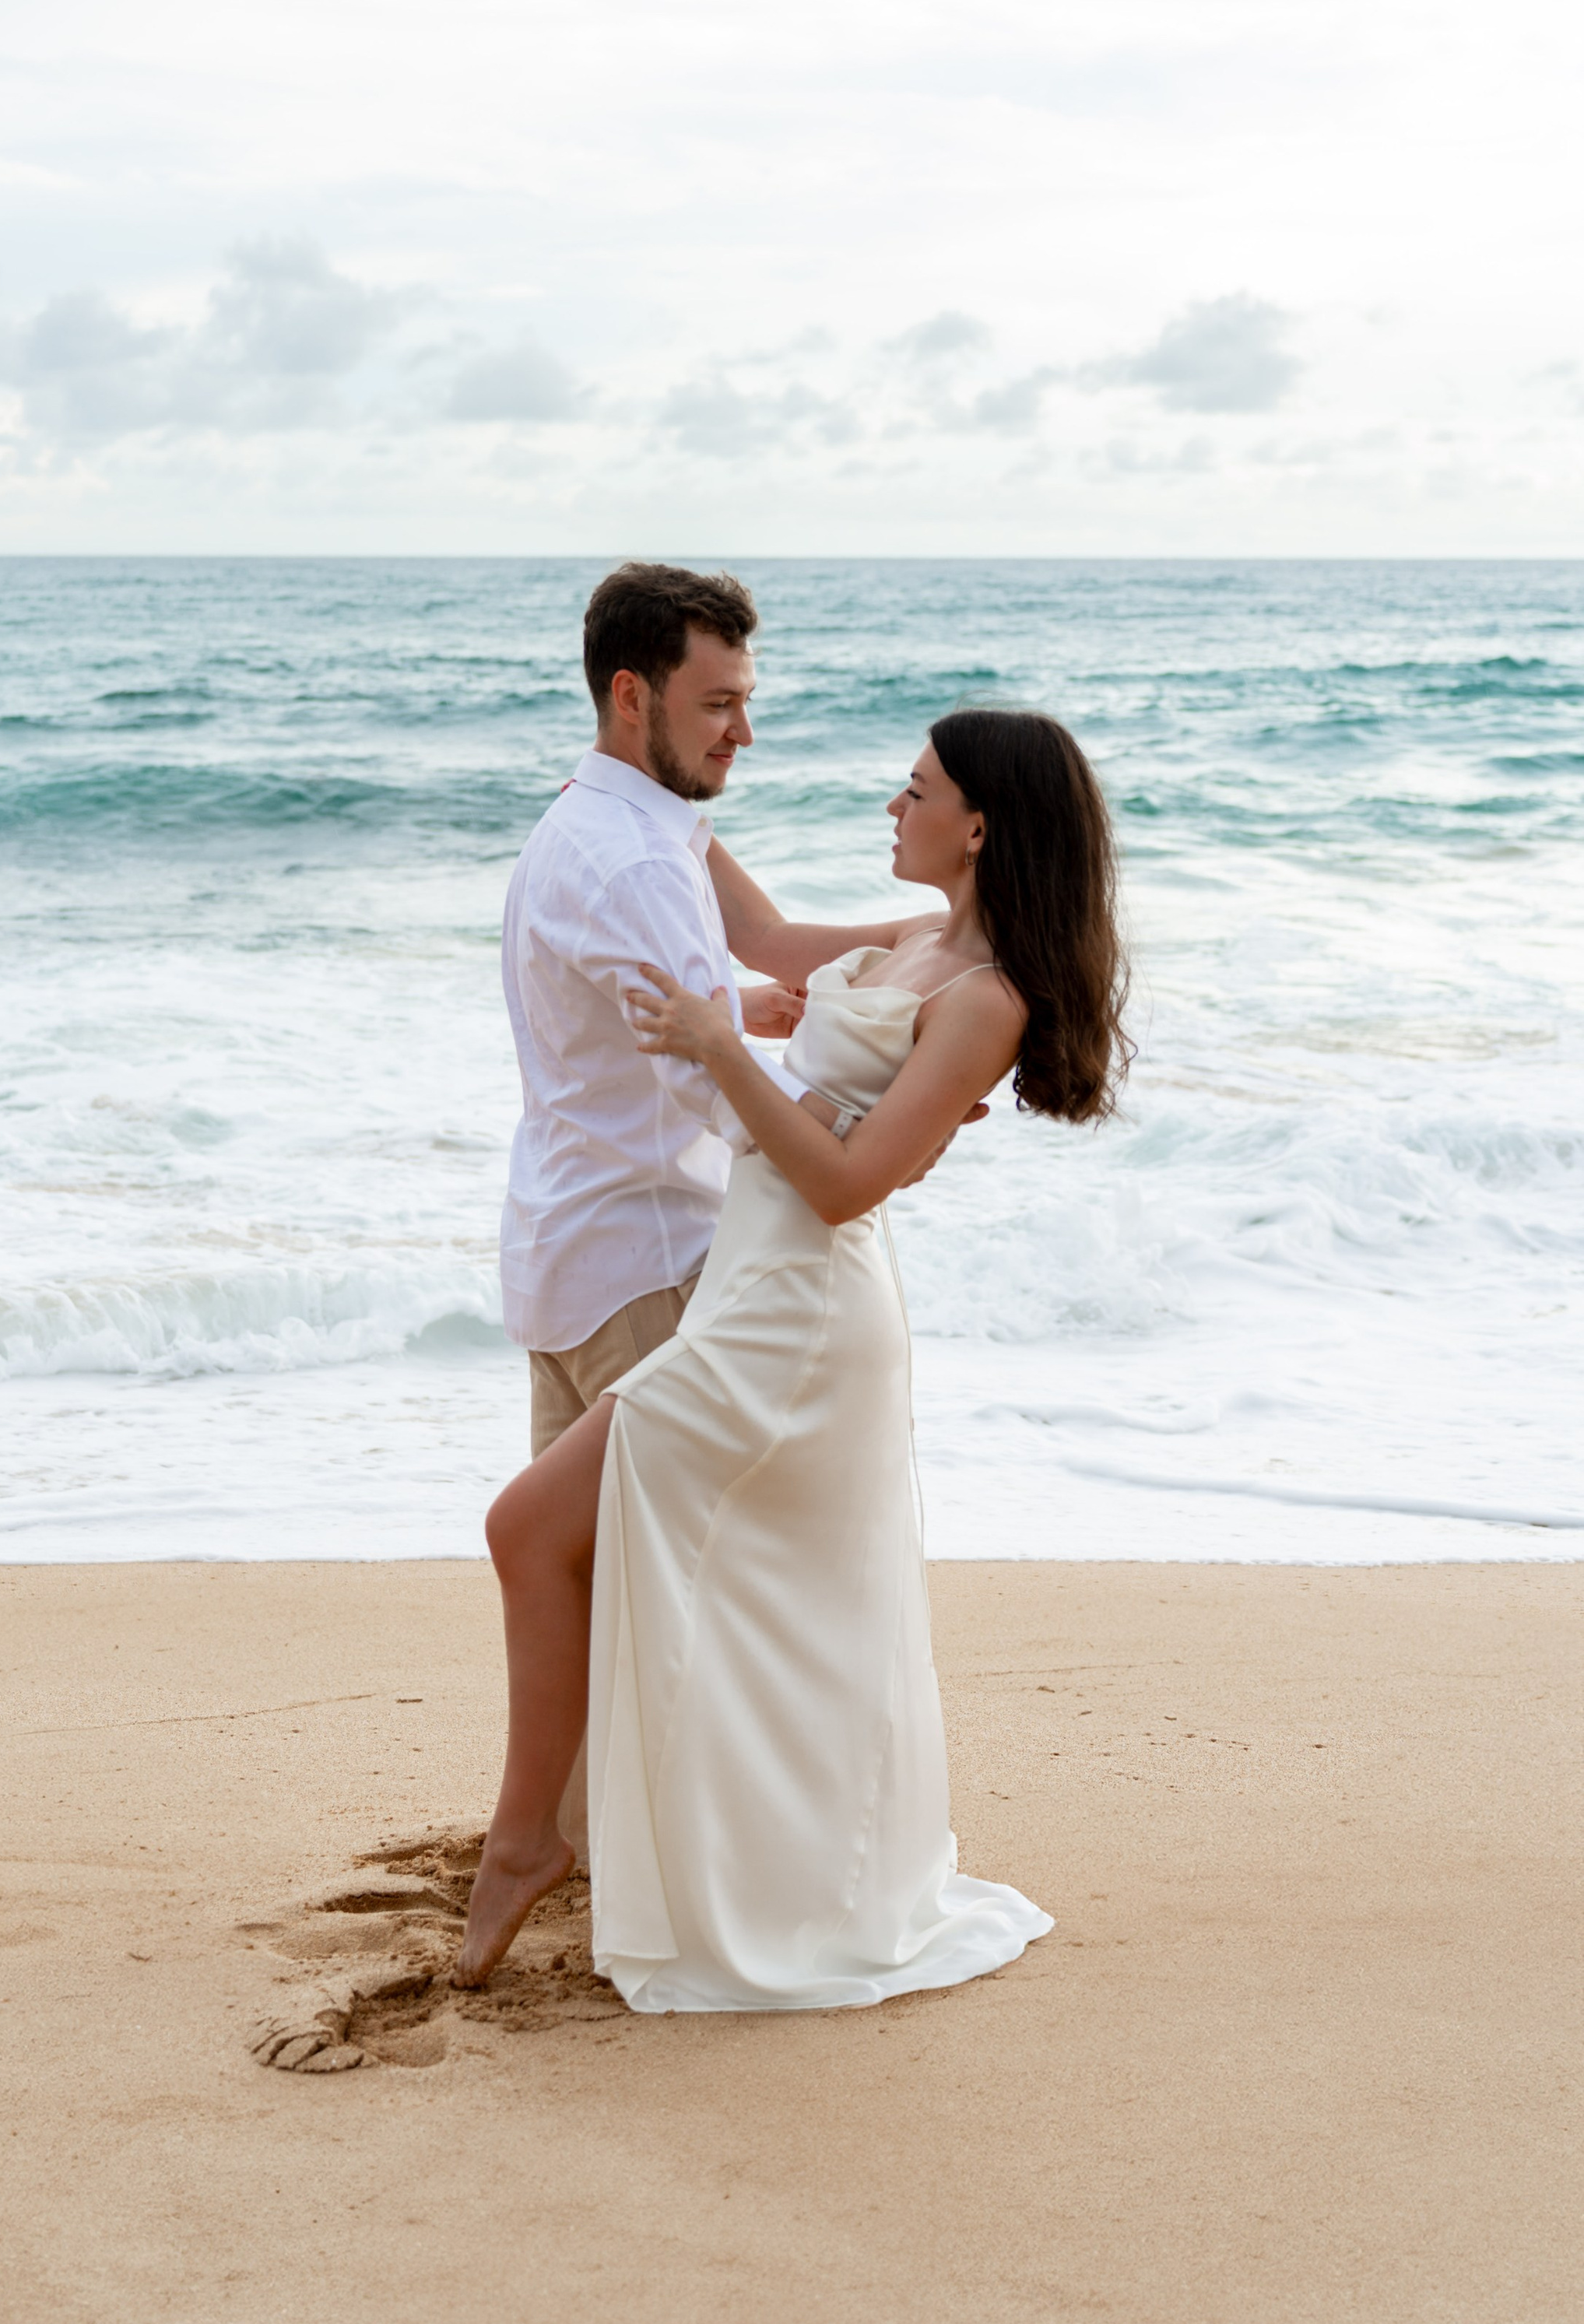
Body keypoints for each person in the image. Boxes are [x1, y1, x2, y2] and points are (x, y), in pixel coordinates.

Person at [456, 705, 1130, 2006]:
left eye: (917, 786)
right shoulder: (911, 943)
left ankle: (524, 1840)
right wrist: (622, 785)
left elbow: (844, 1186)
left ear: (978, 825)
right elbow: (757, 938)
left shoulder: (986, 999)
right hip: (749, 1294)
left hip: (802, 1318)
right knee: (705, 1589)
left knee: (530, 1526)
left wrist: (726, 1049)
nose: (894, 803)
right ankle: (616, 1838)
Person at [495, 561, 933, 1860]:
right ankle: (690, 1882)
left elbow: (771, 955)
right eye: (719, 702)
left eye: (747, 698)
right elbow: (733, 1106)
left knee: (601, 1588)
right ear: (634, 695)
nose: (745, 729)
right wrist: (889, 1109)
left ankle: (590, 1853)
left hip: (574, 1251)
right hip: (653, 1260)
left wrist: (962, 932)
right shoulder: (635, 861)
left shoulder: (612, 821)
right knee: (697, 1602)